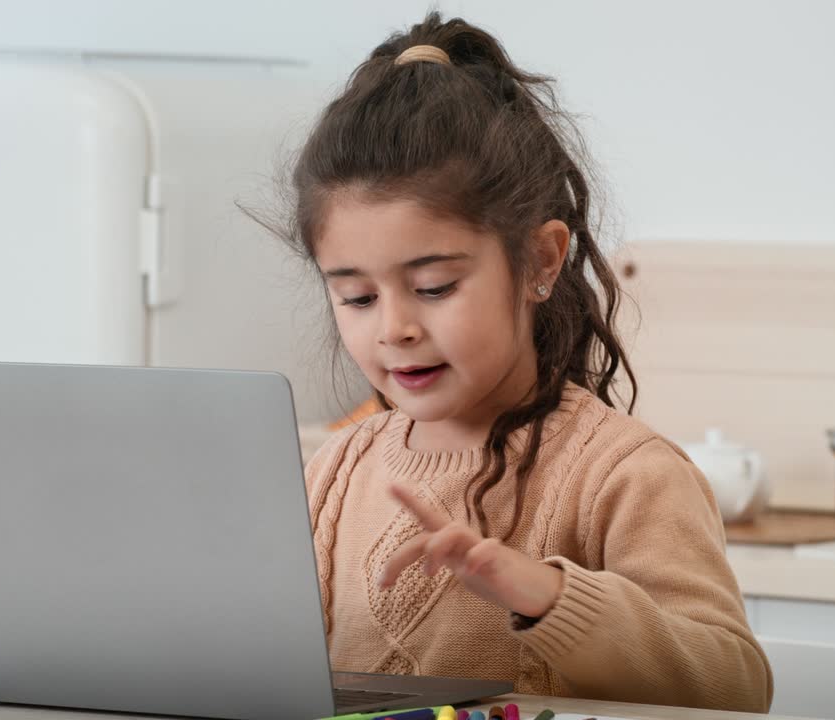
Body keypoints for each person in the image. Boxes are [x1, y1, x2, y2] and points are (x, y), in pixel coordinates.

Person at [285, 12, 772, 712]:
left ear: (541, 260)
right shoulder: (333, 476)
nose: (395, 328)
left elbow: (737, 688)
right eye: (356, 297)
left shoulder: (625, 476)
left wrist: (551, 598)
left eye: (434, 288)